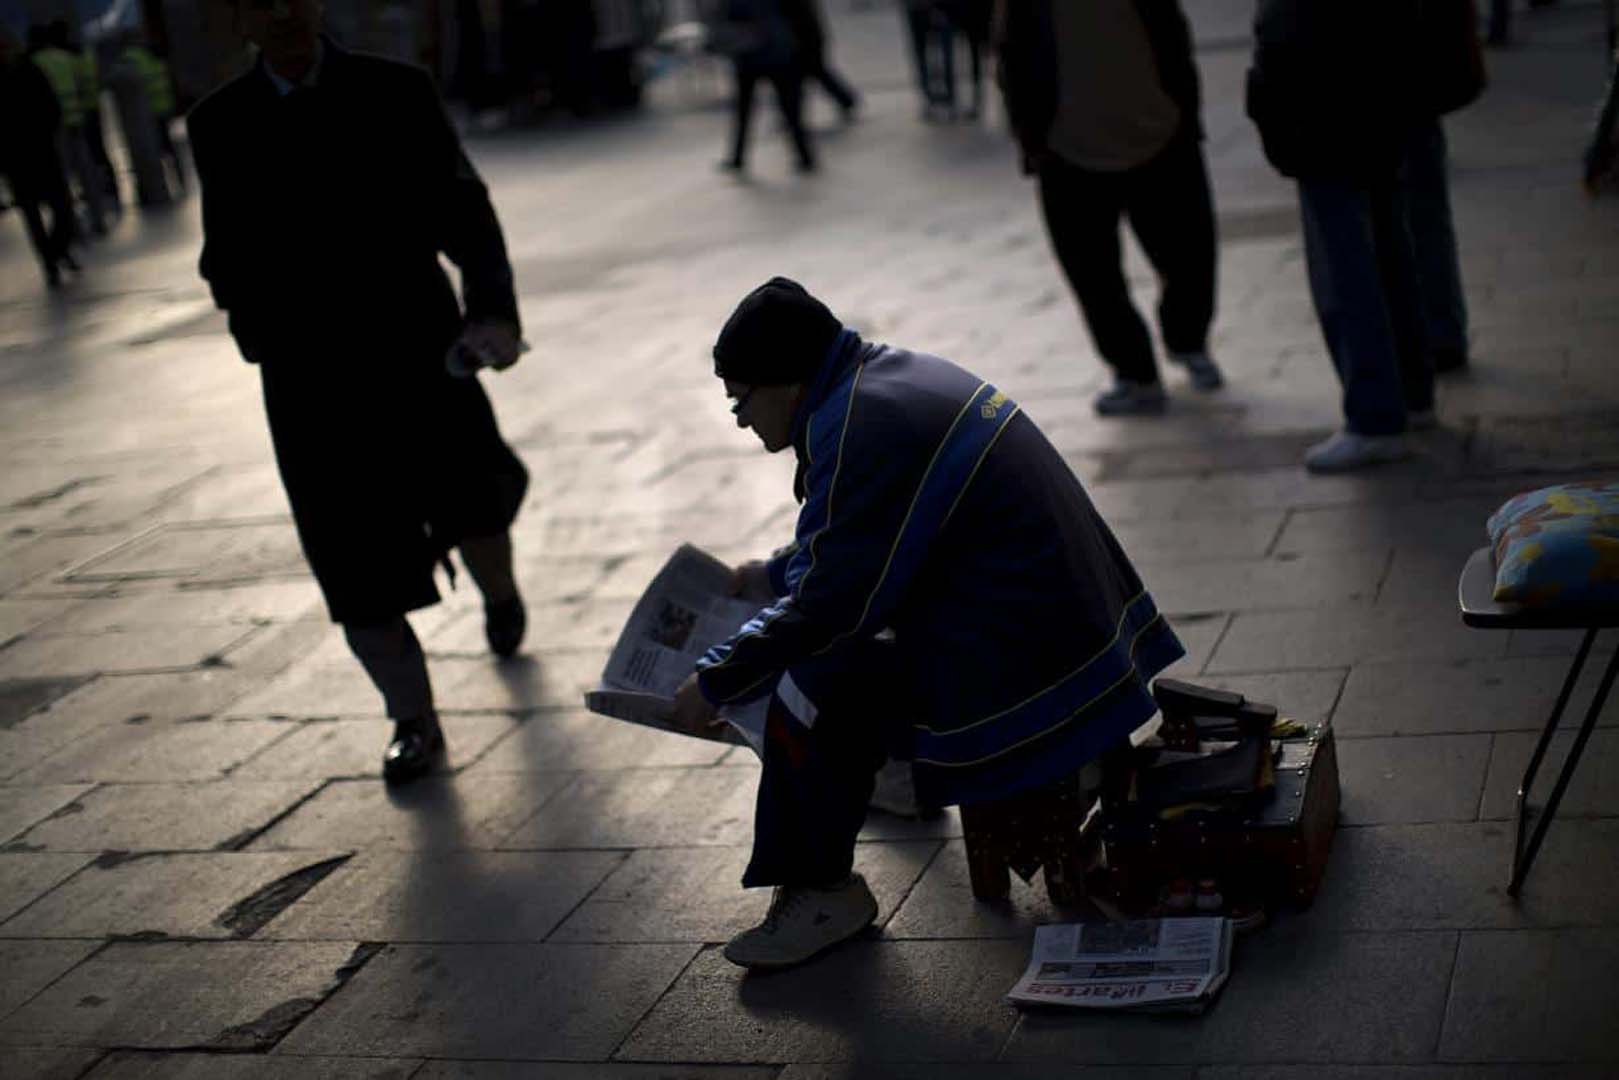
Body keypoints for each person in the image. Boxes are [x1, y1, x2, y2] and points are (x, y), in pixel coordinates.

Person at [670, 279, 1185, 970]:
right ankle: (869, 779)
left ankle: (822, 890)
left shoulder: (857, 424)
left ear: (785, 383)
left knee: (808, 682)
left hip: (1038, 674)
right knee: (819, 648)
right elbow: (871, 532)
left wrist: (716, 677)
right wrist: (765, 574)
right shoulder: (881, 381)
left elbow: (833, 602)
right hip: (1073, 638)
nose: (737, 419)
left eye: (740, 399)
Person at [188, 0, 530, 783]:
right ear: (234, 22)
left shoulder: (394, 90)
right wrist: (255, 330)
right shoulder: (220, 121)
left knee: (472, 496)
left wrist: (492, 313)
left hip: (418, 347)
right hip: (308, 376)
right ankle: (413, 717)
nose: (280, 14)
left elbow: (464, 210)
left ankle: (500, 594)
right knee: (347, 549)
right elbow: (224, 250)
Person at [997, 0, 1223, 417]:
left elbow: (1172, 33)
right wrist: (1030, 136)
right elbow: (1011, 51)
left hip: (1158, 131)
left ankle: (1187, 340)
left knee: (1189, 256)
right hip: (1068, 149)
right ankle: (1136, 372)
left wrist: (1184, 112)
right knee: (1094, 277)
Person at [1246, 0, 1434, 471]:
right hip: (1374, 96)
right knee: (1390, 253)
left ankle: (1376, 418)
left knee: (1346, 268)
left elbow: (1286, 28)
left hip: (1322, 108)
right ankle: (1411, 394)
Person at [1, 25, 79, 287]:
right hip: (18, 157)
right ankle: (50, 261)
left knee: (61, 207)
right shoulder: (26, 71)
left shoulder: (30, 71)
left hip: (40, 150)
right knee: (35, 215)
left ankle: (56, 250)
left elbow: (51, 105)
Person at [31, 21, 110, 236]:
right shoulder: (68, 59)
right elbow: (84, 87)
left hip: (54, 130)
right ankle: (98, 218)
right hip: (77, 123)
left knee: (63, 180)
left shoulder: (35, 63)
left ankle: (73, 227)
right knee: (87, 174)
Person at [719, 0, 815, 174]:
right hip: (769, 53)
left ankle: (738, 157)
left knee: (755, 110)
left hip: (764, 54)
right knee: (786, 110)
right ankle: (804, 155)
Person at [121, 36, 185, 195]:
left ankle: (162, 186)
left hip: (148, 113)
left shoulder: (132, 58)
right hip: (164, 108)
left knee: (156, 150)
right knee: (170, 149)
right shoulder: (157, 59)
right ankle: (180, 182)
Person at [782, 0, 859, 121]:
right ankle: (846, 100)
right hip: (808, 39)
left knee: (802, 77)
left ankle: (792, 113)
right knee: (815, 74)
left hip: (804, 41)